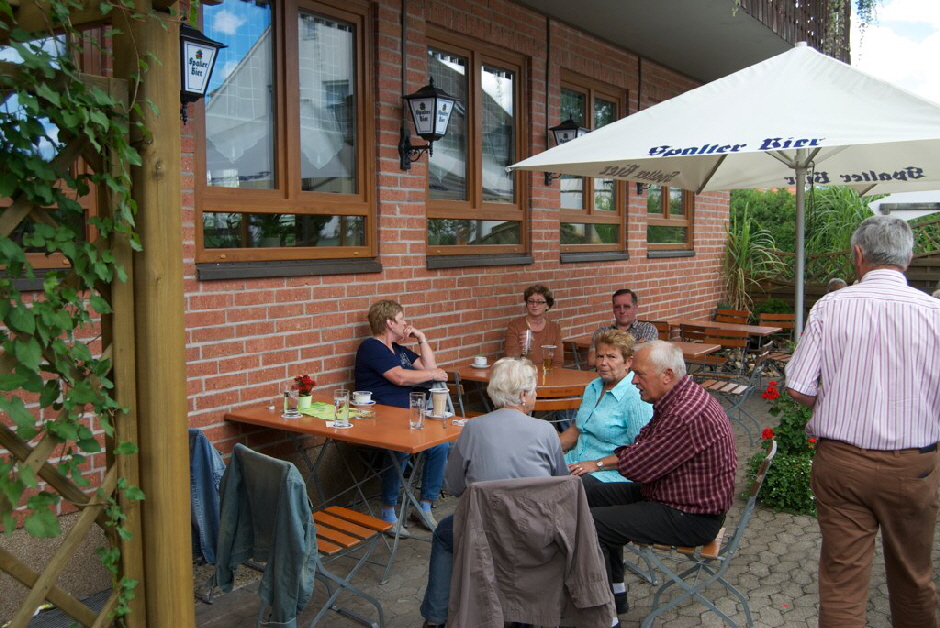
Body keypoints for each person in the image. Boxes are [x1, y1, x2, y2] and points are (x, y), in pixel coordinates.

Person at [786, 215, 940, 628]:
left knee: (842, 581)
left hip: (841, 464)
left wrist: (836, 401)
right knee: (914, 576)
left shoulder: (829, 307)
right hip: (914, 466)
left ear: (858, 255)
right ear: (908, 259)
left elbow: (798, 387)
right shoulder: (935, 313)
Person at [573, 340, 737, 616]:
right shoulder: (676, 398)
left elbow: (638, 466)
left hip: (691, 516)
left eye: (640, 374)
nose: (634, 380)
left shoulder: (685, 413)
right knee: (584, 488)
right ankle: (616, 594)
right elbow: (641, 447)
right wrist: (595, 466)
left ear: (667, 375)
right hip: (669, 494)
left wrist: (599, 462)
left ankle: (601, 615)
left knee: (590, 523)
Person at [419, 357, 568, 628]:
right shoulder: (547, 430)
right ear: (523, 395)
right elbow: (561, 485)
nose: (535, 396)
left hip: (482, 532)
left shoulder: (472, 429)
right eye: (534, 391)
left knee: (443, 534)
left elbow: (452, 487)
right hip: (535, 535)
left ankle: (436, 618)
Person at [354, 299, 449, 537]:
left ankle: (423, 506)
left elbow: (431, 367)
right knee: (401, 450)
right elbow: (399, 378)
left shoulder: (400, 351)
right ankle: (388, 511)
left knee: (440, 446)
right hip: (381, 418)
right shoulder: (371, 347)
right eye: (402, 319)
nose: (406, 323)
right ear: (389, 323)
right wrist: (433, 374)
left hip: (411, 415)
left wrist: (422, 338)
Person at [561, 329, 653, 486]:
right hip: (575, 462)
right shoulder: (593, 387)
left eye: (611, 357)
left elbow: (641, 451)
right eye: (600, 356)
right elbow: (578, 429)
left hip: (608, 473)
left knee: (564, 490)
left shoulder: (636, 396)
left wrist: (597, 464)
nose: (603, 363)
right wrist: (546, 450)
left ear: (628, 362)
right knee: (533, 470)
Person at [587, 289, 658, 367]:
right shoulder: (602, 332)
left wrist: (606, 355)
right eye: (617, 307)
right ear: (613, 310)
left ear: (635, 308)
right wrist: (635, 347)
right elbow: (592, 360)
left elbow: (644, 358)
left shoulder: (647, 329)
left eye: (626, 306)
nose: (622, 311)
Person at [504, 284, 564, 368]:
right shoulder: (515, 325)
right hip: (522, 373)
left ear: (547, 306)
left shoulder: (555, 327)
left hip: (547, 372)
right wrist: (521, 346)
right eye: (531, 301)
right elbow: (508, 357)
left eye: (539, 302)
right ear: (526, 304)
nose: (534, 305)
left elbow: (558, 361)